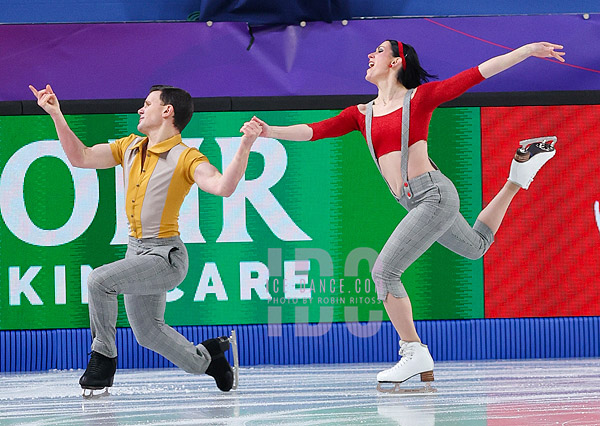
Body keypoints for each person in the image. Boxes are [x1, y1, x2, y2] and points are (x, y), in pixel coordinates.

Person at [251, 40, 564, 390]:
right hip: (414, 202)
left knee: (384, 272)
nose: (370, 55)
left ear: (397, 61)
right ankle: (517, 175)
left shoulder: (420, 99)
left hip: (434, 194)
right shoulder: (360, 113)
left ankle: (414, 351)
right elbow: (316, 131)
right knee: (476, 247)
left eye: (379, 51)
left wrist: (525, 51)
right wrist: (270, 132)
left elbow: (478, 73)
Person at [29, 83, 262, 395]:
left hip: (165, 257)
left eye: (147, 104)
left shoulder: (186, 157)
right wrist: (56, 114)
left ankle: (103, 358)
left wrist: (245, 146)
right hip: (135, 251)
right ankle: (209, 359)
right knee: (148, 334)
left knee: (99, 281)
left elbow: (223, 186)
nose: (140, 109)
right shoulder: (129, 147)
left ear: (167, 111)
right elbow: (81, 157)